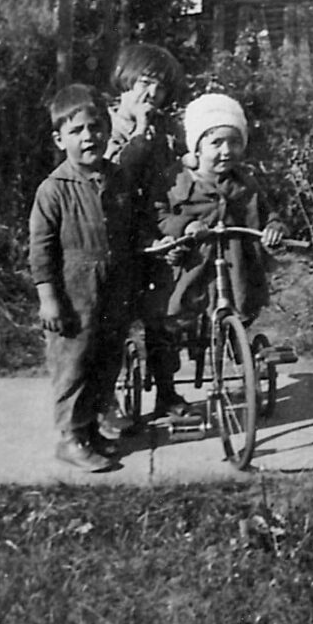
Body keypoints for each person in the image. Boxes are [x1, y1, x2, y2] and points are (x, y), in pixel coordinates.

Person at [142, 93, 285, 400]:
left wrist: (273, 228)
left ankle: (242, 362)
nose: (226, 151)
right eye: (216, 142)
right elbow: (158, 215)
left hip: (235, 266)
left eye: (234, 142)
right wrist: (184, 226)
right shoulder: (176, 180)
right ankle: (167, 387)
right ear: (196, 146)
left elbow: (267, 213)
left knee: (238, 311)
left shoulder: (245, 183)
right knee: (174, 320)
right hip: (191, 266)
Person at [29, 84, 136, 471]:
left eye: (95, 127)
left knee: (106, 359)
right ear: (60, 140)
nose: (88, 136)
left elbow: (131, 228)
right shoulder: (53, 190)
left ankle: (90, 429)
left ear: (107, 130)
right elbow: (41, 251)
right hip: (75, 292)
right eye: (76, 131)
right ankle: (70, 437)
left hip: (114, 285)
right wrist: (49, 299)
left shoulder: (117, 178)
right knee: (73, 364)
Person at [104, 41, 189, 424]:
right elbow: (114, 174)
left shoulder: (166, 128)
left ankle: (167, 393)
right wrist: (139, 130)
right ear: (125, 80)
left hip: (156, 229)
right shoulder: (105, 124)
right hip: (116, 233)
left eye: (161, 87)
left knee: (162, 315)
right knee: (114, 320)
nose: (152, 94)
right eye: (145, 83)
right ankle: (107, 400)